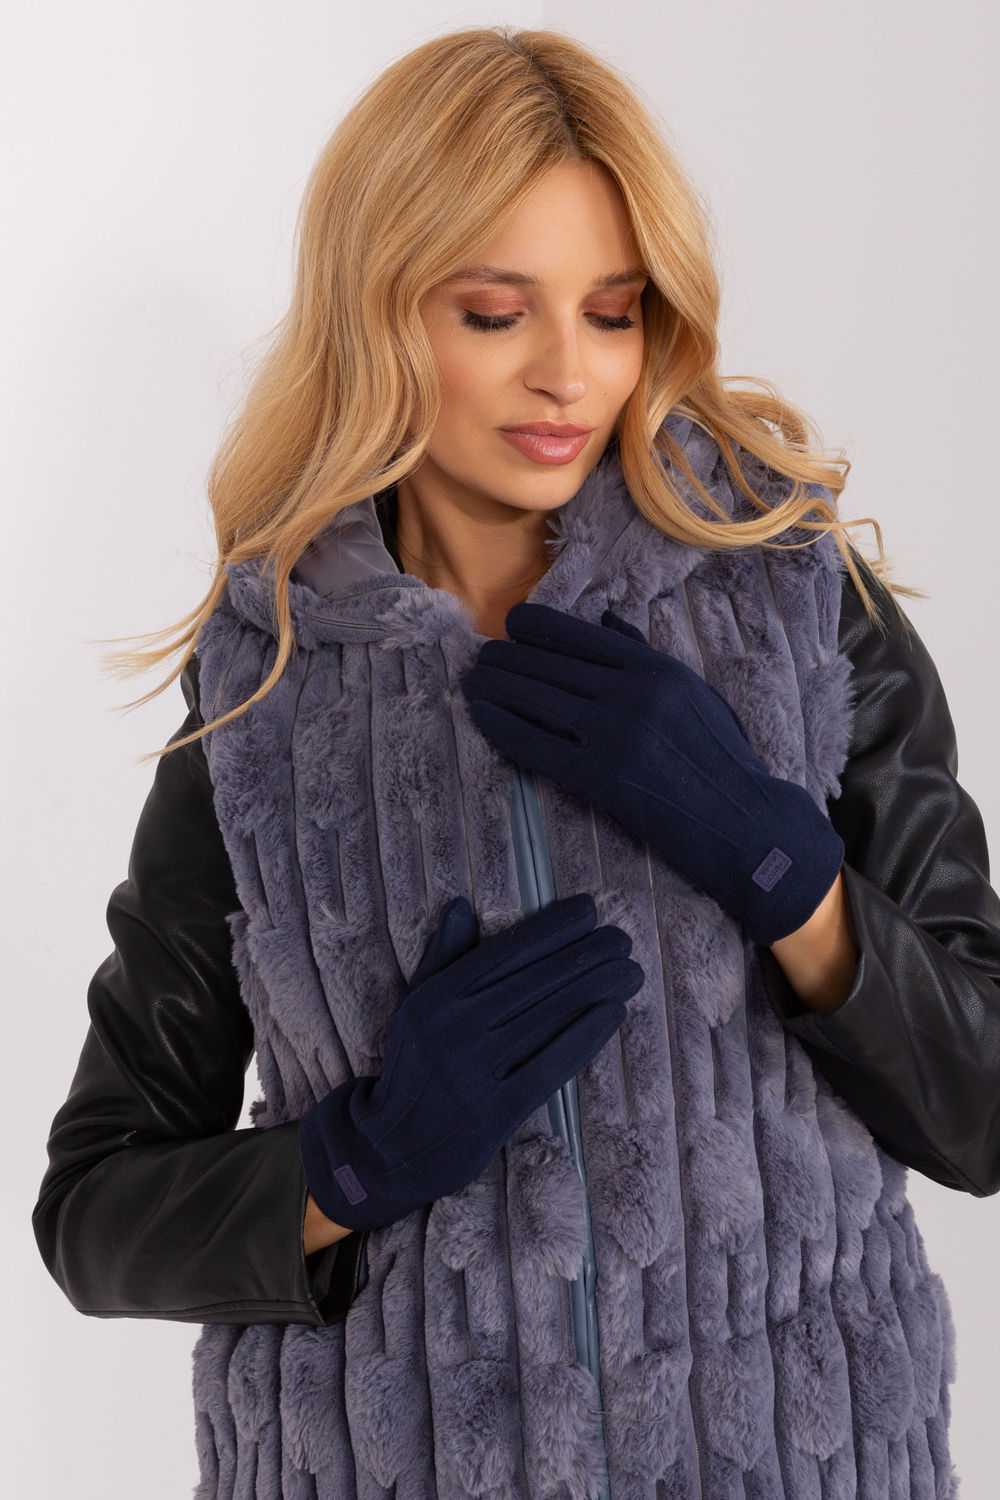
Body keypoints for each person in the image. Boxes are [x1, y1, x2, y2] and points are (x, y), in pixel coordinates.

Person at [32, 24, 1000, 1500]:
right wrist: (355, 1162)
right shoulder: (264, 682)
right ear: (377, 313)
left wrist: (778, 863)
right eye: (495, 313)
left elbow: (982, 1108)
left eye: (613, 312)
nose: (568, 373)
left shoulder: (797, 603)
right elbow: (94, 1215)